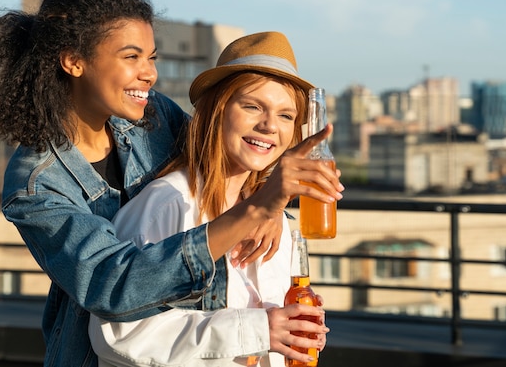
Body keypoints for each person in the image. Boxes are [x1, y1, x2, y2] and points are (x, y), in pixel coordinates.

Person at [0, 0, 342, 367]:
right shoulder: (36, 185)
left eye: (151, 57)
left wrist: (263, 198)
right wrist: (256, 209)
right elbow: (112, 284)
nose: (149, 73)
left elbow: (222, 153)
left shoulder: (150, 116)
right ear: (74, 60)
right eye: (131, 57)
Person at [89, 31, 327, 367]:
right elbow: (120, 334)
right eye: (252, 106)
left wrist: (293, 326)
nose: (269, 125)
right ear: (217, 110)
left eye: (286, 115)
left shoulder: (278, 224)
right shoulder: (167, 204)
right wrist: (261, 329)